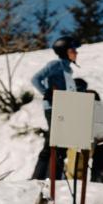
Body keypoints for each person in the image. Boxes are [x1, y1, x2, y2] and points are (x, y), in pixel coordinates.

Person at [30, 36, 80, 180]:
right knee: (57, 144)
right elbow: (35, 78)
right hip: (54, 108)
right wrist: (46, 93)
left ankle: (40, 177)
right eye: (72, 50)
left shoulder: (67, 69)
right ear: (64, 52)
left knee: (53, 144)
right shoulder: (56, 64)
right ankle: (52, 179)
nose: (76, 53)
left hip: (64, 108)